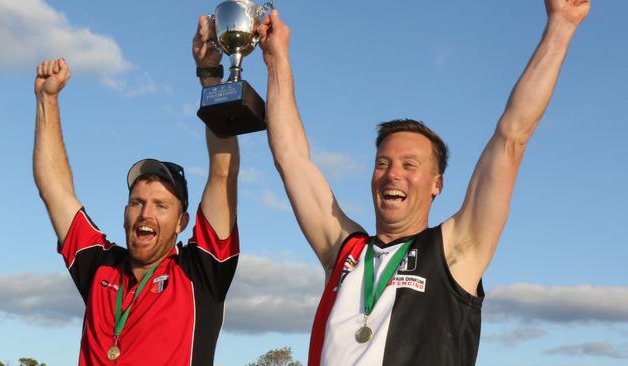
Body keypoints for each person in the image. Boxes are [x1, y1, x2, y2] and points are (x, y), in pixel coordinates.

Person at [256, 0, 590, 365]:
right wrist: (276, 62)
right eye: (382, 163)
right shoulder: (344, 250)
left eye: (409, 165)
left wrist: (561, 26)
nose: (392, 174)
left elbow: (511, 138)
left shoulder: (456, 250)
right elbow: (291, 159)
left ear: (437, 184)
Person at [33, 17, 238, 365]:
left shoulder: (200, 271)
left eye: (161, 205)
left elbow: (222, 173)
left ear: (181, 221)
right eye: (137, 202)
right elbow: (54, 188)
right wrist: (46, 99)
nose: (145, 214)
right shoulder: (101, 267)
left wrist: (209, 74)